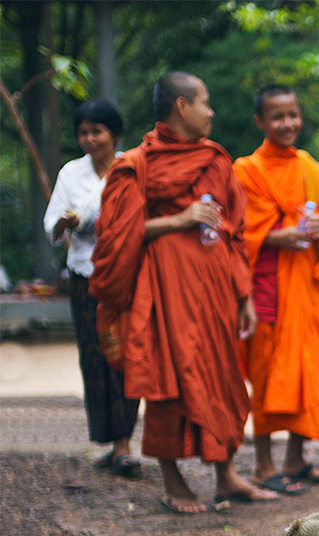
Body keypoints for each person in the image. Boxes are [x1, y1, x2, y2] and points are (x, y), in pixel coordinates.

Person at [90, 72, 277, 513]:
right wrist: (177, 220)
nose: (211, 112)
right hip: (165, 293)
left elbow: (235, 232)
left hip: (214, 292)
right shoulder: (135, 164)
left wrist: (244, 294)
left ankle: (226, 476)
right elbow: (114, 235)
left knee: (224, 378)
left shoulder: (215, 159)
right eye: (205, 102)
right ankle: (174, 480)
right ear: (181, 106)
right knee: (171, 381)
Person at [233, 84, 319, 495]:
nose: (287, 123)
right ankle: (263, 465)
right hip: (266, 285)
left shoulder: (311, 169)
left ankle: (296, 458)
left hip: (303, 285)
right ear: (260, 122)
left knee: (307, 373)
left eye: (293, 114)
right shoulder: (246, 170)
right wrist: (281, 235)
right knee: (265, 374)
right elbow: (240, 233)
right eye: (277, 117)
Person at [44, 98, 140, 476]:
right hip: (85, 275)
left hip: (126, 276)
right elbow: (52, 221)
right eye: (83, 132)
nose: (89, 139)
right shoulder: (71, 173)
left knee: (126, 355)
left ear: (114, 134)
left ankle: (125, 443)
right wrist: (66, 224)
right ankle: (109, 439)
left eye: (97, 131)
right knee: (94, 355)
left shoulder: (130, 169)